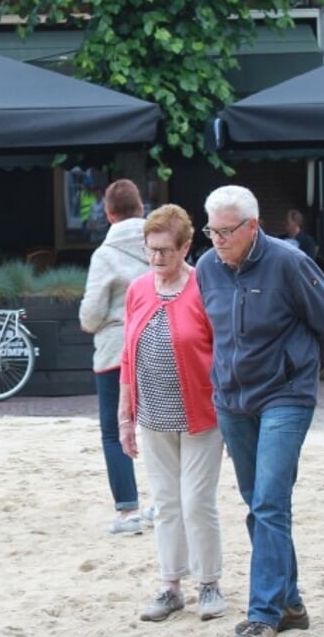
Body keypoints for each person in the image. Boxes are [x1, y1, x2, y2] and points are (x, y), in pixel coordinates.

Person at [195, 186, 324, 637]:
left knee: (269, 502)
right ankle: (291, 603)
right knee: (258, 504)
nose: (217, 240)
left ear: (253, 226)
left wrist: (301, 370)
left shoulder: (289, 262)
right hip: (232, 399)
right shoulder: (206, 267)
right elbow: (214, 328)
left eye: (226, 231)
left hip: (285, 396)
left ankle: (264, 613)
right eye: (211, 230)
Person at [117, 204, 225, 623]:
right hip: (153, 413)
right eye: (151, 250)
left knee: (197, 500)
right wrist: (125, 414)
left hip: (201, 411)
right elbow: (128, 355)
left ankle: (209, 581)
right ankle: (170, 584)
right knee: (165, 502)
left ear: (185, 248)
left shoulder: (204, 287)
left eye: (165, 250)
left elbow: (221, 351)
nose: (157, 258)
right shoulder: (139, 289)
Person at [78, 178, 150, 535]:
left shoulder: (105, 255)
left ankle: (128, 509)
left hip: (115, 352)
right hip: (160, 345)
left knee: (114, 430)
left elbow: (90, 316)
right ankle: (163, 502)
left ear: (108, 214)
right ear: (141, 208)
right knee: (160, 426)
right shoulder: (159, 245)